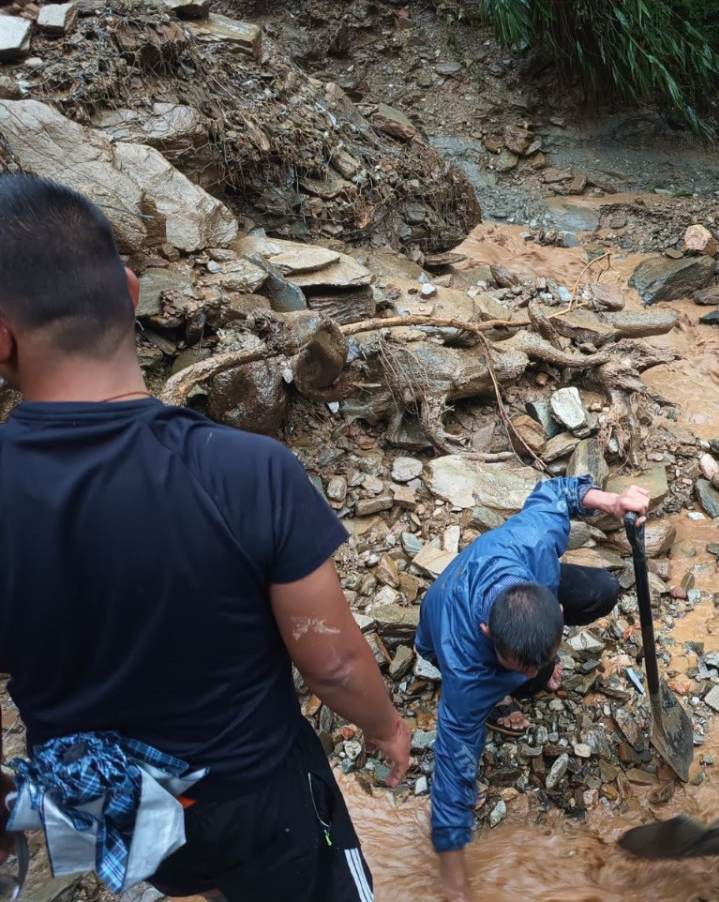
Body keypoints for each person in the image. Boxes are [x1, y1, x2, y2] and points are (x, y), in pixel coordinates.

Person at [0, 175, 411, 901]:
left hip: (98, 807)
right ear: (130, 292)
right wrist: (387, 727)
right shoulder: (247, 471)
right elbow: (335, 664)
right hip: (255, 799)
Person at [415, 476, 650, 902]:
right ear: (488, 634)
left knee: (603, 590)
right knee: (523, 682)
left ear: (555, 608)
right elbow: (453, 765)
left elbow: (557, 492)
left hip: (520, 586)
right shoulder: (466, 665)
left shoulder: (535, 539)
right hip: (444, 623)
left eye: (544, 656)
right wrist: (454, 879)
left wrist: (613, 501)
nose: (534, 672)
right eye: (521, 666)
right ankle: (501, 696)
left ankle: (534, 664)